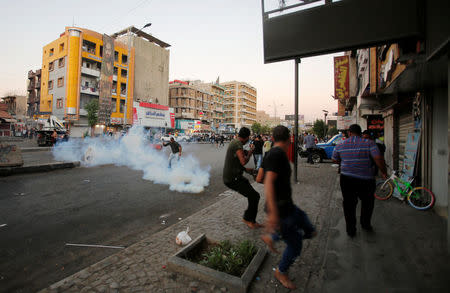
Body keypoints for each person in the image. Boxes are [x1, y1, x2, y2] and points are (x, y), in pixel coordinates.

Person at [260, 125, 316, 290]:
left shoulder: (273, 153)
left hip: (289, 206)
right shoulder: (277, 154)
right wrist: (272, 214)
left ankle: (274, 236)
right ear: (289, 138)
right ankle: (281, 271)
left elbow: (259, 177)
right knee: (296, 244)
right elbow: (268, 181)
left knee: (309, 229)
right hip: (280, 209)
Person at [332, 124, 387, 237]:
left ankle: (351, 230)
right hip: (366, 179)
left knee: (349, 204)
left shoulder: (340, 144)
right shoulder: (369, 143)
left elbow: (334, 159)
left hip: (347, 179)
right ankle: (365, 224)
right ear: (360, 133)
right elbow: (378, 158)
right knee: (367, 203)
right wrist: (383, 171)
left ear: (349, 133)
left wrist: (345, 163)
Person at [223, 127, 262, 229]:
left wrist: (247, 170)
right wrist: (250, 152)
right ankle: (249, 220)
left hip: (234, 177)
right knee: (254, 196)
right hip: (232, 179)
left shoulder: (235, 142)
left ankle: (250, 219)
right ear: (246, 137)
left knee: (253, 195)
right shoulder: (237, 144)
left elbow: (236, 162)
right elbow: (243, 161)